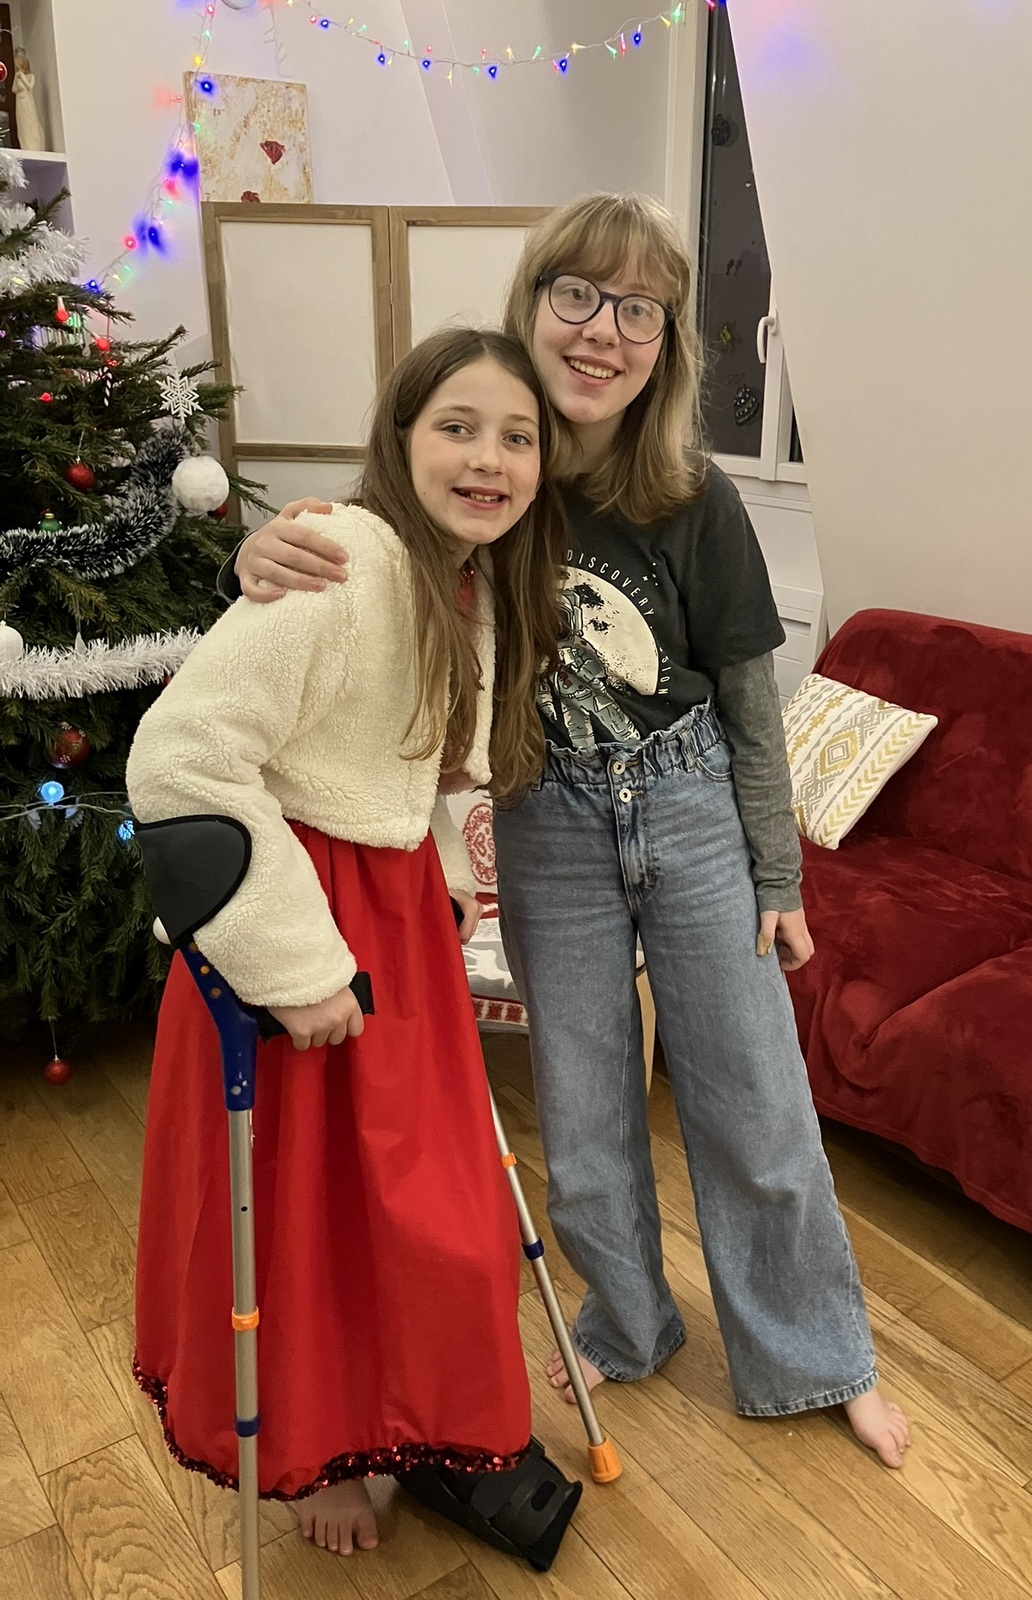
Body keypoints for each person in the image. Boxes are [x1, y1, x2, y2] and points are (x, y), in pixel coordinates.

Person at [223, 194, 911, 1469]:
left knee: (756, 1101)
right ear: (534, 302)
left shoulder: (695, 497)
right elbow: (351, 554)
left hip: (693, 803)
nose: (603, 330)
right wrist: (259, 554)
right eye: (578, 295)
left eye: (638, 309)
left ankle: (818, 1351)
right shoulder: (482, 471)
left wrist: (777, 869)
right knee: (586, 1112)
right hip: (544, 818)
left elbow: (752, 703)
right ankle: (625, 1321)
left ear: (667, 341)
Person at [125, 328, 582, 1565]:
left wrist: (443, 882)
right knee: (309, 1220)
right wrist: (297, 966)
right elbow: (181, 758)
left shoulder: (471, 585)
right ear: (401, 436)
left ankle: (392, 1419)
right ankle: (318, 1455)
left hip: (394, 926)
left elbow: (398, 773)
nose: (487, 459)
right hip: (301, 931)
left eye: (517, 437)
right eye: (457, 428)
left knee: (414, 1212)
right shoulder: (344, 562)